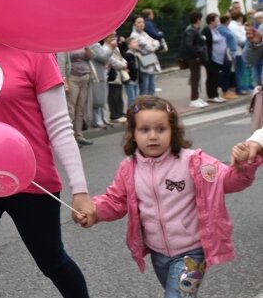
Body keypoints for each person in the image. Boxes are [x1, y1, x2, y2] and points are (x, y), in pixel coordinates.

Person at [0, 32, 93, 298]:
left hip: (32, 181)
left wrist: (80, 190)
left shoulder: (36, 50)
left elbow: (59, 127)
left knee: (53, 262)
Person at [75, 95, 261, 298]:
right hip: (158, 253)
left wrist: (243, 165)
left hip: (192, 253)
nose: (153, 136)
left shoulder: (193, 162)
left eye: (160, 129)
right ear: (133, 134)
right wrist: (94, 211)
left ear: (173, 131)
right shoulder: (129, 168)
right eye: (145, 130)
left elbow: (227, 181)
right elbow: (115, 201)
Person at [58, 47, 95, 146]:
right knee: (71, 108)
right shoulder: (64, 44)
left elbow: (93, 57)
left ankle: (79, 135)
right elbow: (61, 63)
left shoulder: (82, 42)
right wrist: (64, 81)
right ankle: (69, 138)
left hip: (85, 77)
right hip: (72, 78)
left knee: (81, 108)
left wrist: (88, 49)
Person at [178, 11, 208, 108]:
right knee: (195, 78)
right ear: (198, 19)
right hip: (193, 58)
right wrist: (196, 55)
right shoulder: (191, 30)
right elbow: (189, 45)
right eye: (201, 19)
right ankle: (194, 99)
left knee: (197, 78)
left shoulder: (194, 29)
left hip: (195, 57)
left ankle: (196, 97)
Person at [201, 13, 229, 103]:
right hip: (211, 58)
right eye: (217, 20)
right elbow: (205, 45)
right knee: (211, 77)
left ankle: (216, 94)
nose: (218, 22)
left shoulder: (218, 30)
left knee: (217, 76)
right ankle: (211, 95)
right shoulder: (206, 31)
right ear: (211, 21)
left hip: (220, 58)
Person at [130, 16, 160, 95]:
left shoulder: (144, 33)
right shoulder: (134, 35)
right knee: (145, 88)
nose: (142, 24)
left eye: (142, 22)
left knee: (152, 86)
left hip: (150, 61)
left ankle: (151, 105)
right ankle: (144, 106)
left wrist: (153, 44)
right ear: (134, 24)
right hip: (143, 63)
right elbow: (149, 47)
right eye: (139, 22)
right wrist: (152, 45)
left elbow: (156, 42)